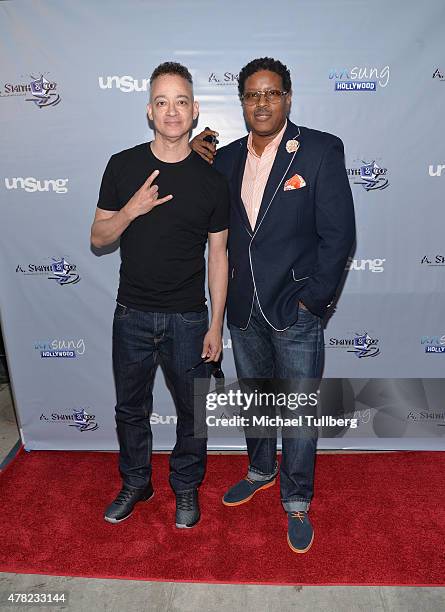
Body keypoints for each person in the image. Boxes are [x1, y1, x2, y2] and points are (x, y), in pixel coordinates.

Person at [191, 57, 355, 553]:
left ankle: (298, 500)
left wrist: (313, 302)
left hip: (295, 308)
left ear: (287, 97)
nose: (262, 102)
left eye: (271, 93)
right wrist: (190, 153)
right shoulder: (225, 158)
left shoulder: (321, 150)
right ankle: (261, 468)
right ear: (241, 101)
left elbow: (339, 235)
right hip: (243, 308)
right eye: (252, 95)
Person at [91, 62, 229, 529]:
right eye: (163, 101)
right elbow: (98, 237)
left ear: (194, 112)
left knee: (193, 413)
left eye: (182, 101)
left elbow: (218, 256)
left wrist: (215, 323)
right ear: (150, 111)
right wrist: (131, 208)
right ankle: (136, 482)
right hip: (131, 314)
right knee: (130, 409)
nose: (173, 111)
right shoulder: (123, 164)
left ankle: (186, 487)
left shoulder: (212, 181)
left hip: (189, 319)